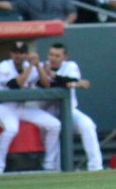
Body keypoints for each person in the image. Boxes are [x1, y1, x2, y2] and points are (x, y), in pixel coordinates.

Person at [0, 42, 61, 174]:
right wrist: (31, 66)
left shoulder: (29, 66)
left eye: (22, 53)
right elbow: (16, 84)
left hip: (21, 107)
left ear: (26, 54)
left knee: (54, 125)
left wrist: (38, 66)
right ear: (11, 54)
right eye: (16, 52)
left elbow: (46, 84)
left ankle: (49, 165)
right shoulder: (4, 66)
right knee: (11, 129)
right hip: (3, 107)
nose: (19, 56)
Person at [40, 43, 103, 171]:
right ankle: (51, 169)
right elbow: (46, 84)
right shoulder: (42, 67)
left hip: (69, 111)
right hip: (47, 112)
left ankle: (96, 167)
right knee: (54, 135)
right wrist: (72, 84)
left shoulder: (70, 66)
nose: (53, 58)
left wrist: (54, 76)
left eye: (57, 56)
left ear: (64, 57)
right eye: (51, 55)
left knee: (88, 125)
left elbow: (71, 79)